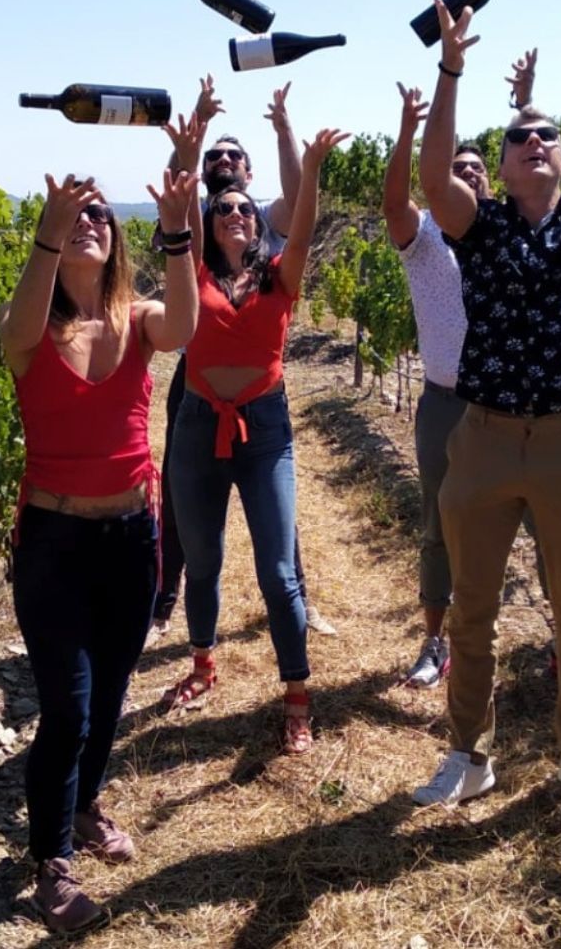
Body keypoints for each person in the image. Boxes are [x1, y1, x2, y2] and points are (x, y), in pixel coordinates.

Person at [410, 0, 561, 806]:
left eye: (547, 136)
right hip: (486, 434)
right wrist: (450, 73)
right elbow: (436, 179)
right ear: (501, 167)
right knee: (471, 609)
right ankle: (469, 755)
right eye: (519, 139)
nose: (534, 142)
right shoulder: (481, 226)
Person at [0, 167, 200, 932]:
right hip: (53, 541)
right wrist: (50, 228)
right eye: (76, 218)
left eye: (99, 217)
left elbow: (183, 328)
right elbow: (15, 330)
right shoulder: (30, 331)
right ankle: (50, 863)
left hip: (128, 536)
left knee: (111, 695)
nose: (90, 223)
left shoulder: (138, 318)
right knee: (67, 709)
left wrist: (178, 231)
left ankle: (82, 807)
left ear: (116, 241)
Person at [162, 123, 350, 756]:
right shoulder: (191, 269)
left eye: (245, 207)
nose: (236, 214)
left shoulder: (279, 273)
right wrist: (190, 147)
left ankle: (297, 697)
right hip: (197, 425)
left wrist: (313, 163)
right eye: (225, 210)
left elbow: (302, 221)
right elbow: (183, 205)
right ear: (211, 223)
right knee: (204, 558)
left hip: (265, 428)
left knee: (277, 570)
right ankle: (202, 665)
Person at [152, 77, 337, 644]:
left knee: (270, 501)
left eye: (235, 156)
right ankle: (168, 600)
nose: (225, 161)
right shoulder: (198, 229)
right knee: (183, 493)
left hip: (259, 386)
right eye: (216, 157)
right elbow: (177, 198)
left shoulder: (262, 221)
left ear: (250, 176)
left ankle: (293, 597)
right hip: (198, 376)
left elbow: (300, 203)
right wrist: (193, 136)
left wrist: (285, 128)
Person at [381, 79, 548, 689]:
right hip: (447, 404)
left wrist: (525, 104)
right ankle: (435, 643)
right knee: (439, 525)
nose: (470, 175)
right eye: (458, 168)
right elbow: (396, 198)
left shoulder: (513, 231)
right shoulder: (423, 240)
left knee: (547, 525)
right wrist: (408, 128)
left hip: (515, 407)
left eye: (478, 168)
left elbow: (544, 172)